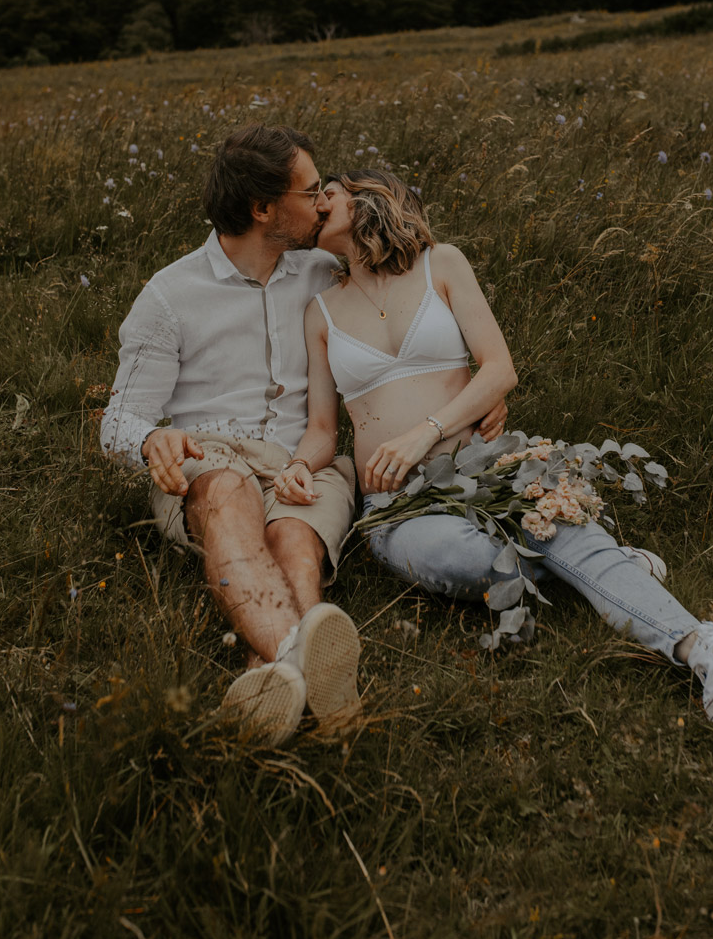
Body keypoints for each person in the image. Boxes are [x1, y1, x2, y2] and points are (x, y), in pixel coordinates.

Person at [277, 170, 713, 724]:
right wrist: (297, 465)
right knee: (471, 560)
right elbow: (322, 428)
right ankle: (604, 563)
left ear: (368, 195)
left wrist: (425, 432)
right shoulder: (321, 311)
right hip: (398, 504)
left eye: (328, 193)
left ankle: (709, 653)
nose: (316, 206)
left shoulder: (443, 264)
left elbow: (499, 369)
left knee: (545, 526)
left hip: (484, 468)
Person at [101, 126, 506, 747]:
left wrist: (478, 396)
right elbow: (117, 422)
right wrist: (151, 438)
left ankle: (275, 676)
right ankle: (309, 663)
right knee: (230, 489)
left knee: (294, 535)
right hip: (208, 459)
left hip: (304, 462)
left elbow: (411, 321)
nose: (324, 203)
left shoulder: (325, 272)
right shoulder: (169, 296)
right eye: (312, 192)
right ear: (263, 209)